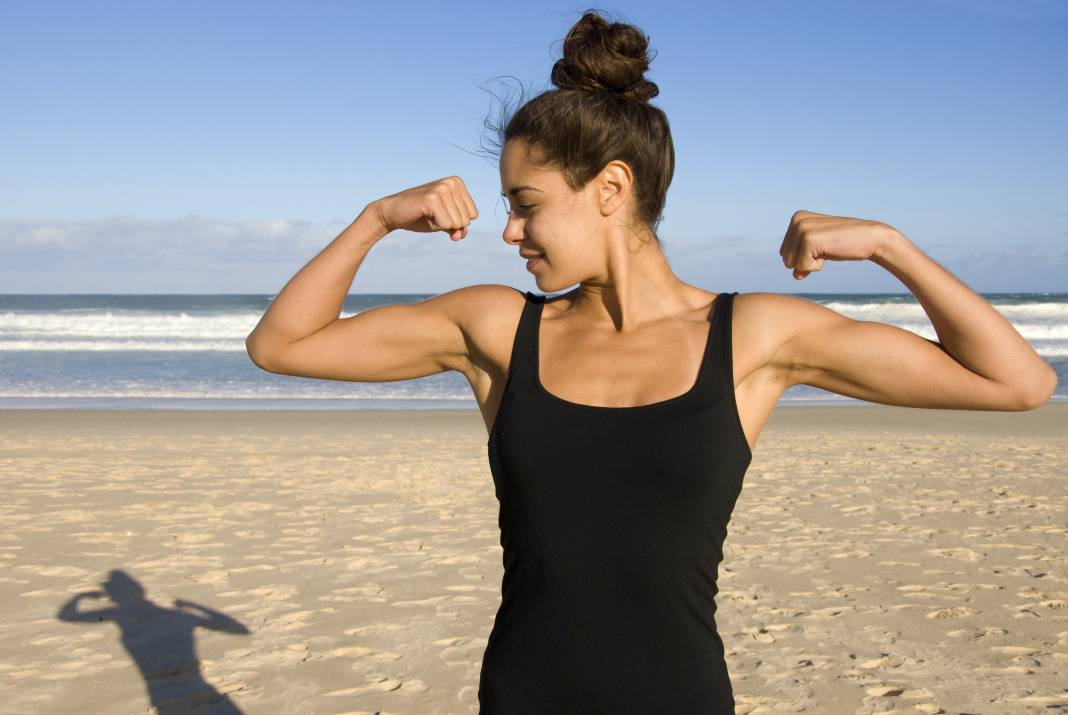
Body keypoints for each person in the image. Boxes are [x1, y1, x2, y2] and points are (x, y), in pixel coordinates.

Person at [244, 9, 1057, 713]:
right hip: (526, 696)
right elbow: (281, 345)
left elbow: (1018, 383)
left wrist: (890, 246)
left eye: (526, 206)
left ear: (610, 186)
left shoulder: (755, 337)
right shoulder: (495, 329)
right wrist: (376, 219)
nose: (511, 233)